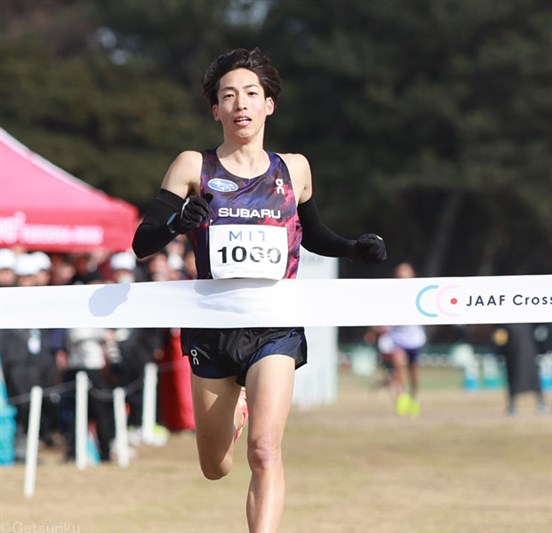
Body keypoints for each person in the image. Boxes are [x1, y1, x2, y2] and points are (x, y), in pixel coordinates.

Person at [132, 47, 386, 533]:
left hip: (275, 326)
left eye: (251, 94)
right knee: (215, 466)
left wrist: (353, 248)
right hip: (212, 327)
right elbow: (143, 242)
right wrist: (176, 220)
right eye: (228, 96)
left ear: (270, 104)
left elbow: (312, 233)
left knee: (265, 449)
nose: (240, 104)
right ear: (215, 110)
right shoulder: (193, 166)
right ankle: (235, 407)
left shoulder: (293, 169)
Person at [365, 261, 426, 416]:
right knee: (398, 367)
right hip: (397, 338)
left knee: (414, 375)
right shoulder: (390, 295)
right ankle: (401, 399)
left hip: (415, 339)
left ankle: (413, 399)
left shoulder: (421, 293)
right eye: (400, 277)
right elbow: (383, 316)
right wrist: (376, 329)